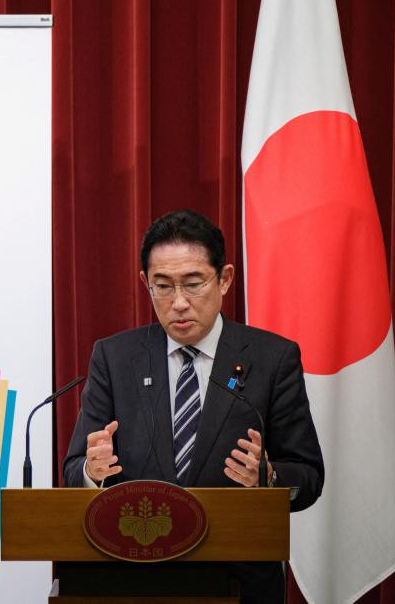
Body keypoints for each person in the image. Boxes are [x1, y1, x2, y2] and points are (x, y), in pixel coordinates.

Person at [63, 209, 322, 602]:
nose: (179, 303)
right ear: (144, 283)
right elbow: (73, 469)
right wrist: (90, 472)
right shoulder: (115, 358)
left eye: (193, 283)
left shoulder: (273, 358)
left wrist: (266, 478)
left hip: (240, 583)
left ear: (225, 279)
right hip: (133, 580)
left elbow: (309, 476)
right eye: (162, 286)